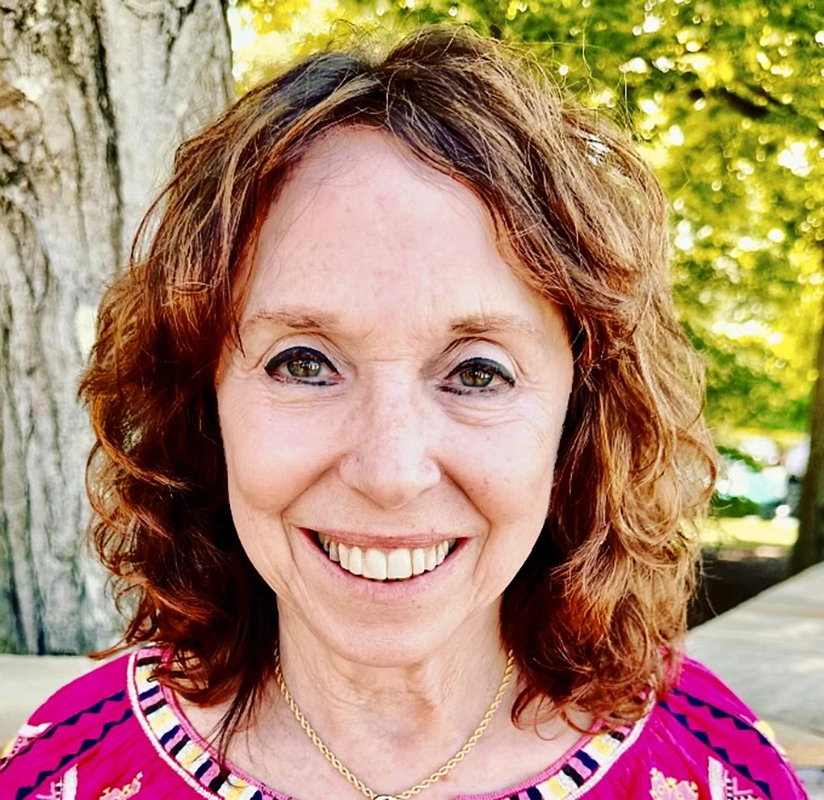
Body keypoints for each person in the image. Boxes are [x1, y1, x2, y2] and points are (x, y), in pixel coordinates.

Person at [1, 24, 807, 800]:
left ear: (580, 418)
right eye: (304, 364)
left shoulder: (713, 771)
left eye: (478, 373)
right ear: (202, 402)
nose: (390, 473)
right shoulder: (70, 771)